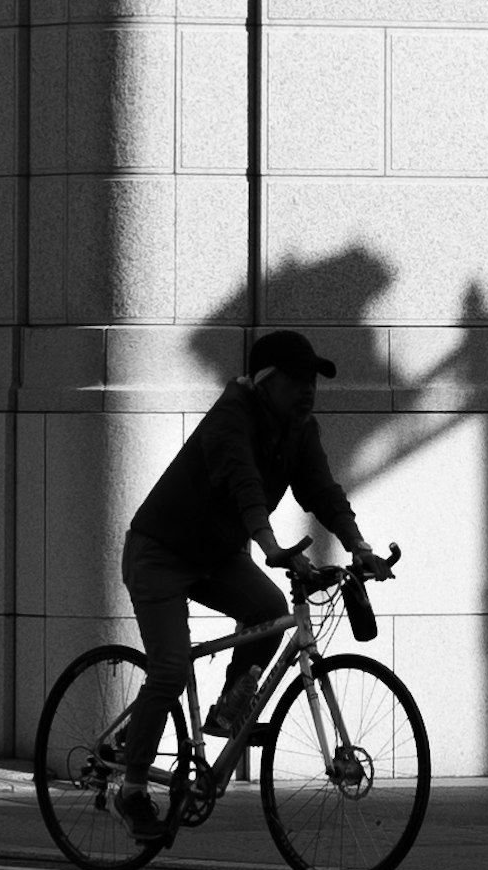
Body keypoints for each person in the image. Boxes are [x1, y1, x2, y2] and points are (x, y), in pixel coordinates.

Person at [117, 326, 381, 821]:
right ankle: (131, 788)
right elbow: (244, 485)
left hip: (216, 556)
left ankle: (227, 707)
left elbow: (322, 491)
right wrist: (270, 546)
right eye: (297, 380)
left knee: (269, 611)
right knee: (172, 668)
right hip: (160, 551)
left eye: (313, 381)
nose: (309, 391)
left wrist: (359, 545)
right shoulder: (230, 417)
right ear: (264, 382)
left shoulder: (300, 429)